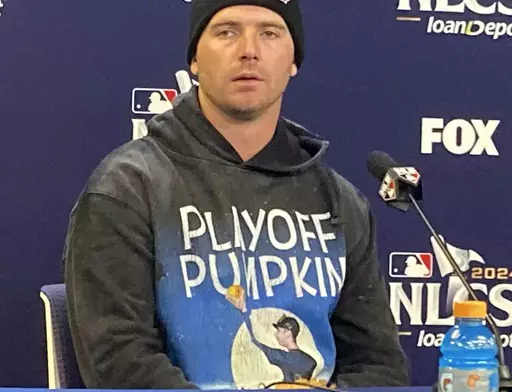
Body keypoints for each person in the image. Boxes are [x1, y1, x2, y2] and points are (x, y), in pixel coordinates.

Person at [63, 0, 410, 389]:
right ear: (194, 60)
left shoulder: (339, 202)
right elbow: (119, 363)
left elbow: (380, 366)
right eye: (227, 32)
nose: (249, 49)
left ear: (293, 60)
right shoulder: (127, 189)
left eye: (270, 33)